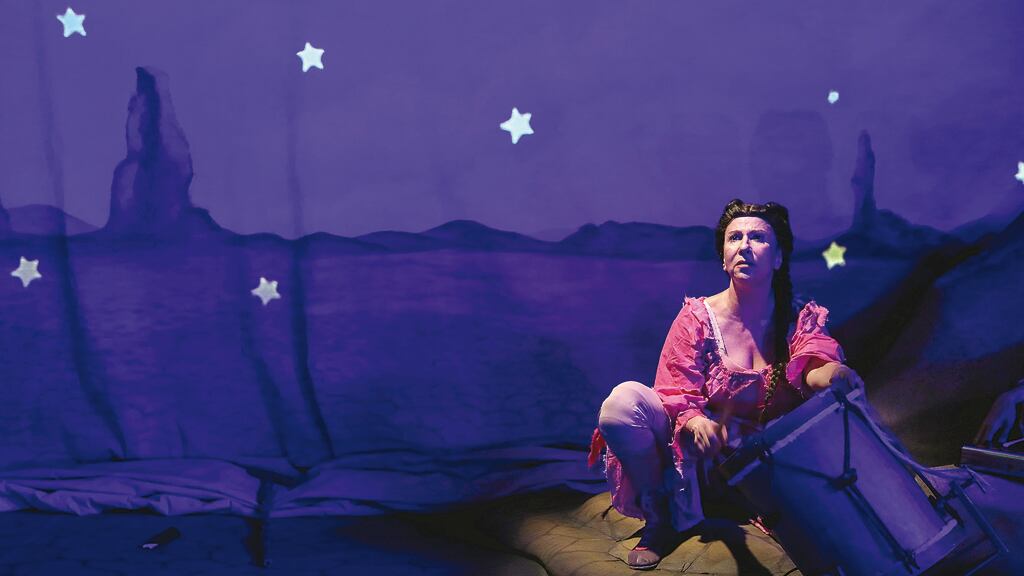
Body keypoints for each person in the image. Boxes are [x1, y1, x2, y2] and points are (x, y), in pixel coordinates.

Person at [586, 199, 866, 570]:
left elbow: (812, 366)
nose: (744, 246)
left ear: (778, 258)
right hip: (697, 462)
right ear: (723, 258)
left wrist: (835, 374)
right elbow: (675, 391)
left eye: (757, 237)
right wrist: (696, 423)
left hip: (763, 465)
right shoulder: (697, 318)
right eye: (735, 238)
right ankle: (661, 516)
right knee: (621, 405)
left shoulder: (798, 316)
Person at [974, 378, 1024, 446]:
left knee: (1005, 427)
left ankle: (990, 441)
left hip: (1006, 400)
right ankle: (989, 441)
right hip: (1006, 401)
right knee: (1001, 427)